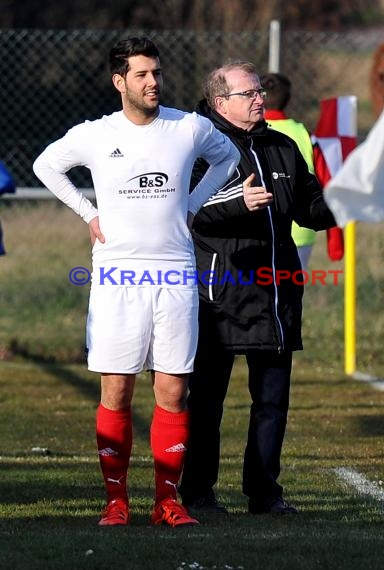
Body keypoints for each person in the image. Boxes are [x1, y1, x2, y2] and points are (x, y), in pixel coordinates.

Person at [33, 36, 239, 528]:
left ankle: (168, 502)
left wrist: (192, 204)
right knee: (117, 389)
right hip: (117, 275)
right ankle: (115, 502)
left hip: (174, 272)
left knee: (172, 390)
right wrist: (88, 212)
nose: (153, 82)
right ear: (119, 81)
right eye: (142, 75)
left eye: (157, 73)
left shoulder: (188, 127)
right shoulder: (96, 134)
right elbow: (46, 165)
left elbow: (228, 158)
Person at [179, 61, 336, 515]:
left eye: (259, 92)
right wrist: (236, 204)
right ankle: (199, 493)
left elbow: (310, 208)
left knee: (272, 401)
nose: (259, 99)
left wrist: (349, 200)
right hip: (219, 296)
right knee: (207, 402)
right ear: (219, 102)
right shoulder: (196, 147)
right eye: (248, 94)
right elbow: (185, 210)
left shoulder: (282, 146)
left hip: (276, 292)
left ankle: (265, 492)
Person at [260, 72, 316, 271]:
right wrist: (336, 237)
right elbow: (325, 182)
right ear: (288, 98)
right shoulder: (304, 134)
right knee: (292, 295)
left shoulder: (250, 132)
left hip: (263, 229)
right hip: (301, 231)